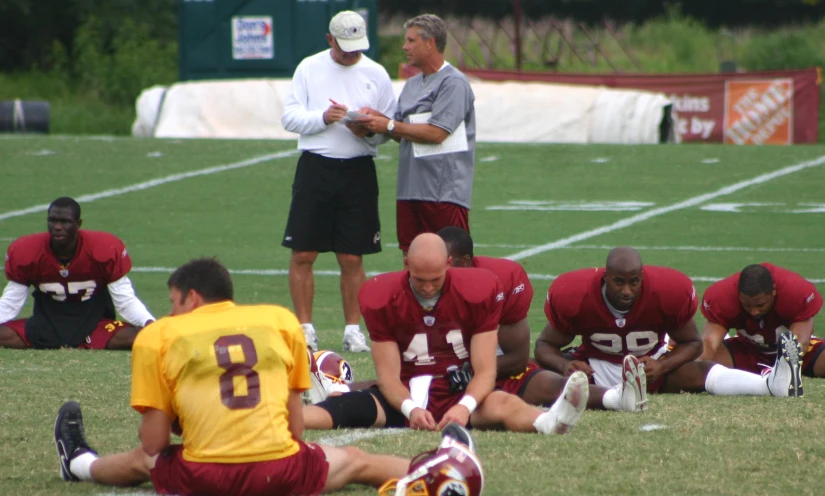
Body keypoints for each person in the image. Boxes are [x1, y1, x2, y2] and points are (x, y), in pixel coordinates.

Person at [53, 257, 414, 495]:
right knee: (356, 460)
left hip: (204, 477)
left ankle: (80, 464)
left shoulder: (159, 336)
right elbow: (295, 430)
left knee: (143, 460)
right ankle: (441, 468)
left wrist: (184, 422)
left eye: (172, 301)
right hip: (280, 474)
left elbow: (154, 443)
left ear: (191, 298)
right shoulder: (281, 321)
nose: (170, 311)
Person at [303, 233, 590, 436]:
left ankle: (548, 422)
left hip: (458, 391)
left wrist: (465, 408)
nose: (428, 289)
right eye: (420, 280)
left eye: (436, 280)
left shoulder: (478, 290)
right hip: (406, 388)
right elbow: (388, 377)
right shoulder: (382, 296)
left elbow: (485, 370)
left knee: (504, 403)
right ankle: (283, 419)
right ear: (407, 266)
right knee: (345, 409)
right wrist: (411, 409)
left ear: (449, 265)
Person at [534, 247, 803, 398]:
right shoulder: (576, 295)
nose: (627, 291)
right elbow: (544, 345)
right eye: (619, 282)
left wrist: (662, 366)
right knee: (540, 375)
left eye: (634, 282)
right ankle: (613, 400)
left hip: (650, 364)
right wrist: (564, 364)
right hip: (596, 368)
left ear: (642, 277)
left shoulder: (666, 291)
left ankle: (771, 386)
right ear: (606, 278)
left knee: (700, 370)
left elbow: (692, 343)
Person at [281, 10, 397, 353]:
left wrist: (366, 129)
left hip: (358, 169)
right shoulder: (309, 67)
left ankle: (352, 330)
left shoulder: (375, 73)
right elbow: (289, 116)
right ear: (330, 40)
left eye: (357, 47)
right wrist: (323, 117)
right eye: (345, 46)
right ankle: (305, 328)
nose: (352, 54)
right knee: (303, 252)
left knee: (352, 257)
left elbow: (388, 128)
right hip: (316, 167)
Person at [438, 226, 646, 412]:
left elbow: (517, 360)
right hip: (429, 370)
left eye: (442, 264)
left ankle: (615, 398)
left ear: (464, 262)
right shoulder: (413, 288)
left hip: (485, 366)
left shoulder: (501, 281)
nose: (432, 276)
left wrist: (472, 372)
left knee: (542, 384)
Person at [357, 14, 476, 253]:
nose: (405, 46)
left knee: (450, 260)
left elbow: (436, 133)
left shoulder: (453, 83)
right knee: (411, 258)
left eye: (411, 41)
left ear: (430, 43)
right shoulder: (412, 84)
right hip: (410, 189)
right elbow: (402, 131)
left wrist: (389, 125)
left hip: (443, 192)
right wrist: (374, 120)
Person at [0, 197, 154, 350]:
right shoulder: (27, 251)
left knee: (143, 336)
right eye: (52, 221)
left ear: (78, 224)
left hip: (93, 324)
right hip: (45, 325)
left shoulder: (103, 249)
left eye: (64, 221)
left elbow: (125, 301)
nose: (57, 227)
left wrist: (149, 323)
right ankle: (82, 343)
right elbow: (10, 302)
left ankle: (86, 340)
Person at [699, 263, 824, 381]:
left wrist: (782, 371)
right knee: (698, 366)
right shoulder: (722, 296)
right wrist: (696, 365)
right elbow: (709, 343)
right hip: (748, 350)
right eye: (747, 305)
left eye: (760, 304)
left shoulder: (794, 291)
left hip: (794, 353)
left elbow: (800, 342)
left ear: (773, 291)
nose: (754, 312)